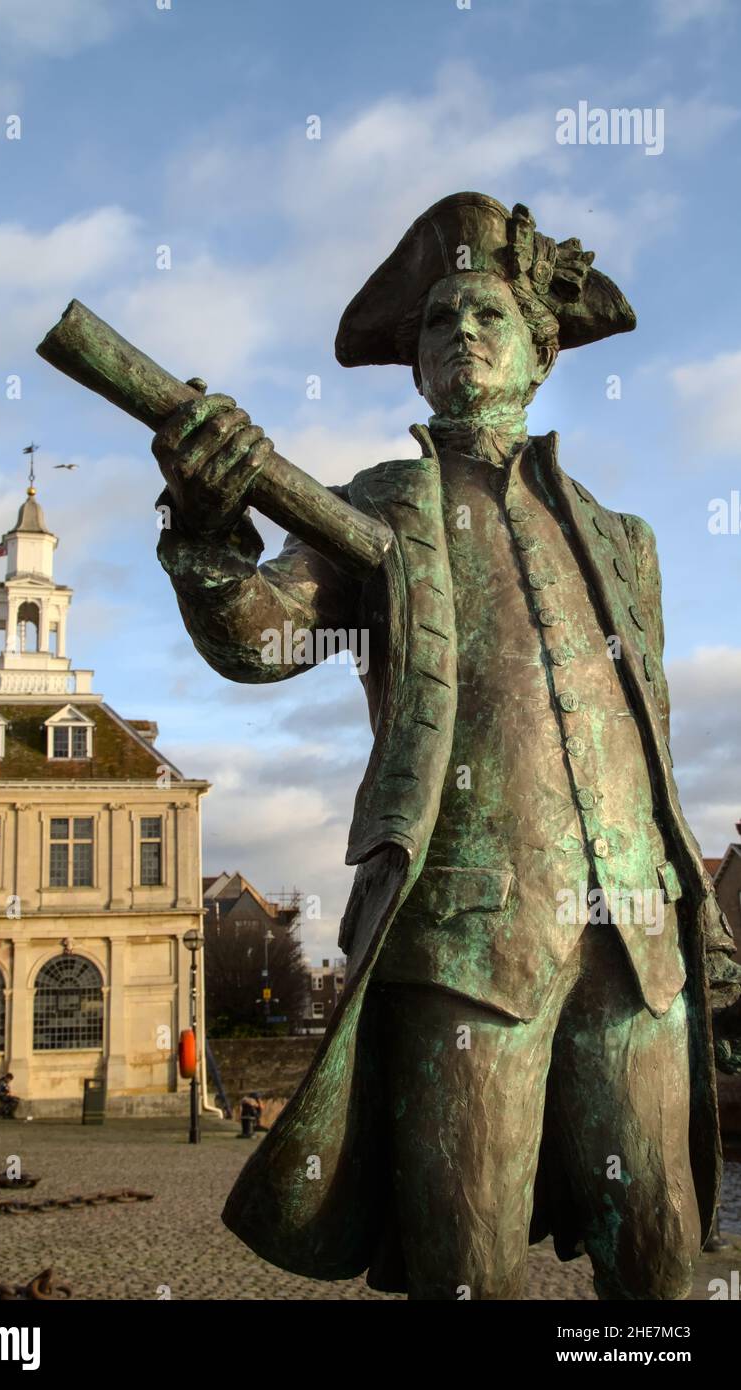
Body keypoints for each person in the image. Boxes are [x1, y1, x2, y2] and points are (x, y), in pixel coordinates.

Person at [153, 192, 741, 1300]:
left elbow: (651, 739)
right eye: (437, 323)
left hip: (636, 937)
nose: (460, 334)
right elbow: (264, 638)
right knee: (465, 1260)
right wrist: (203, 525)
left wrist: (701, 918)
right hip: (466, 937)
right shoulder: (381, 504)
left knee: (661, 1254)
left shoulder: (626, 541)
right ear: (416, 369)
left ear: (539, 353)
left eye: (487, 315)